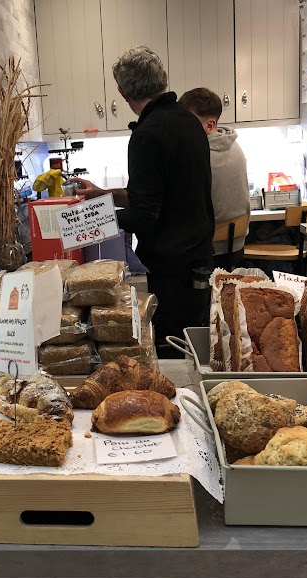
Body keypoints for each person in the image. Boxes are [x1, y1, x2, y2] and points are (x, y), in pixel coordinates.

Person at [70, 46, 214, 357]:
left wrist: (88, 221)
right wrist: (105, 196)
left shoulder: (147, 135)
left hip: (174, 270)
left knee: (175, 351)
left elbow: (144, 215)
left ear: (122, 92)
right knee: (194, 347)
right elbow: (162, 193)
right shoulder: (188, 122)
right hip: (198, 260)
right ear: (164, 77)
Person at [178, 88, 250, 267]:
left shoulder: (197, 156)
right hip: (236, 247)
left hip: (208, 252)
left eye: (188, 123)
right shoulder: (236, 147)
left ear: (210, 125)